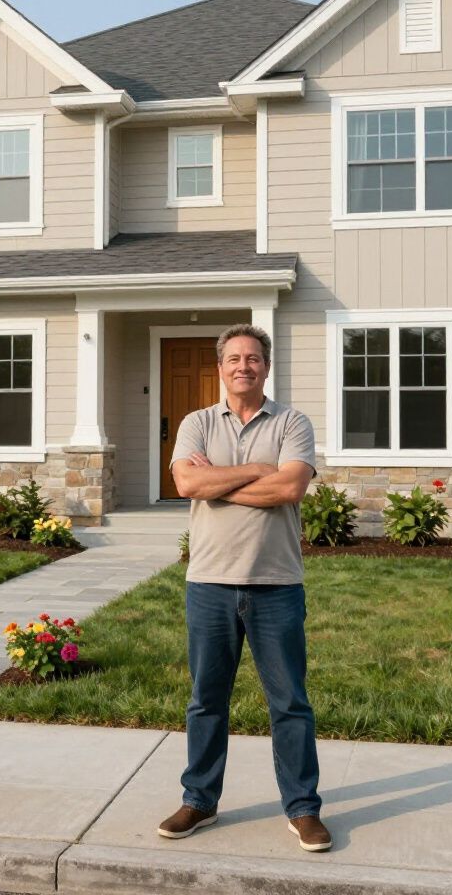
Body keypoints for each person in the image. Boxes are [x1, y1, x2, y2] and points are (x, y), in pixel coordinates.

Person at [156, 323, 331, 853]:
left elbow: (290, 485)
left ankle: (302, 809)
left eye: (252, 358)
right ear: (221, 368)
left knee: (290, 703)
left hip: (276, 584)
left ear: (266, 367)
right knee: (206, 700)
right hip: (208, 583)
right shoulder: (197, 423)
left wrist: (224, 481)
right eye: (233, 358)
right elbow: (187, 484)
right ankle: (199, 801)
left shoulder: (292, 422)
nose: (243, 366)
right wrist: (257, 470)